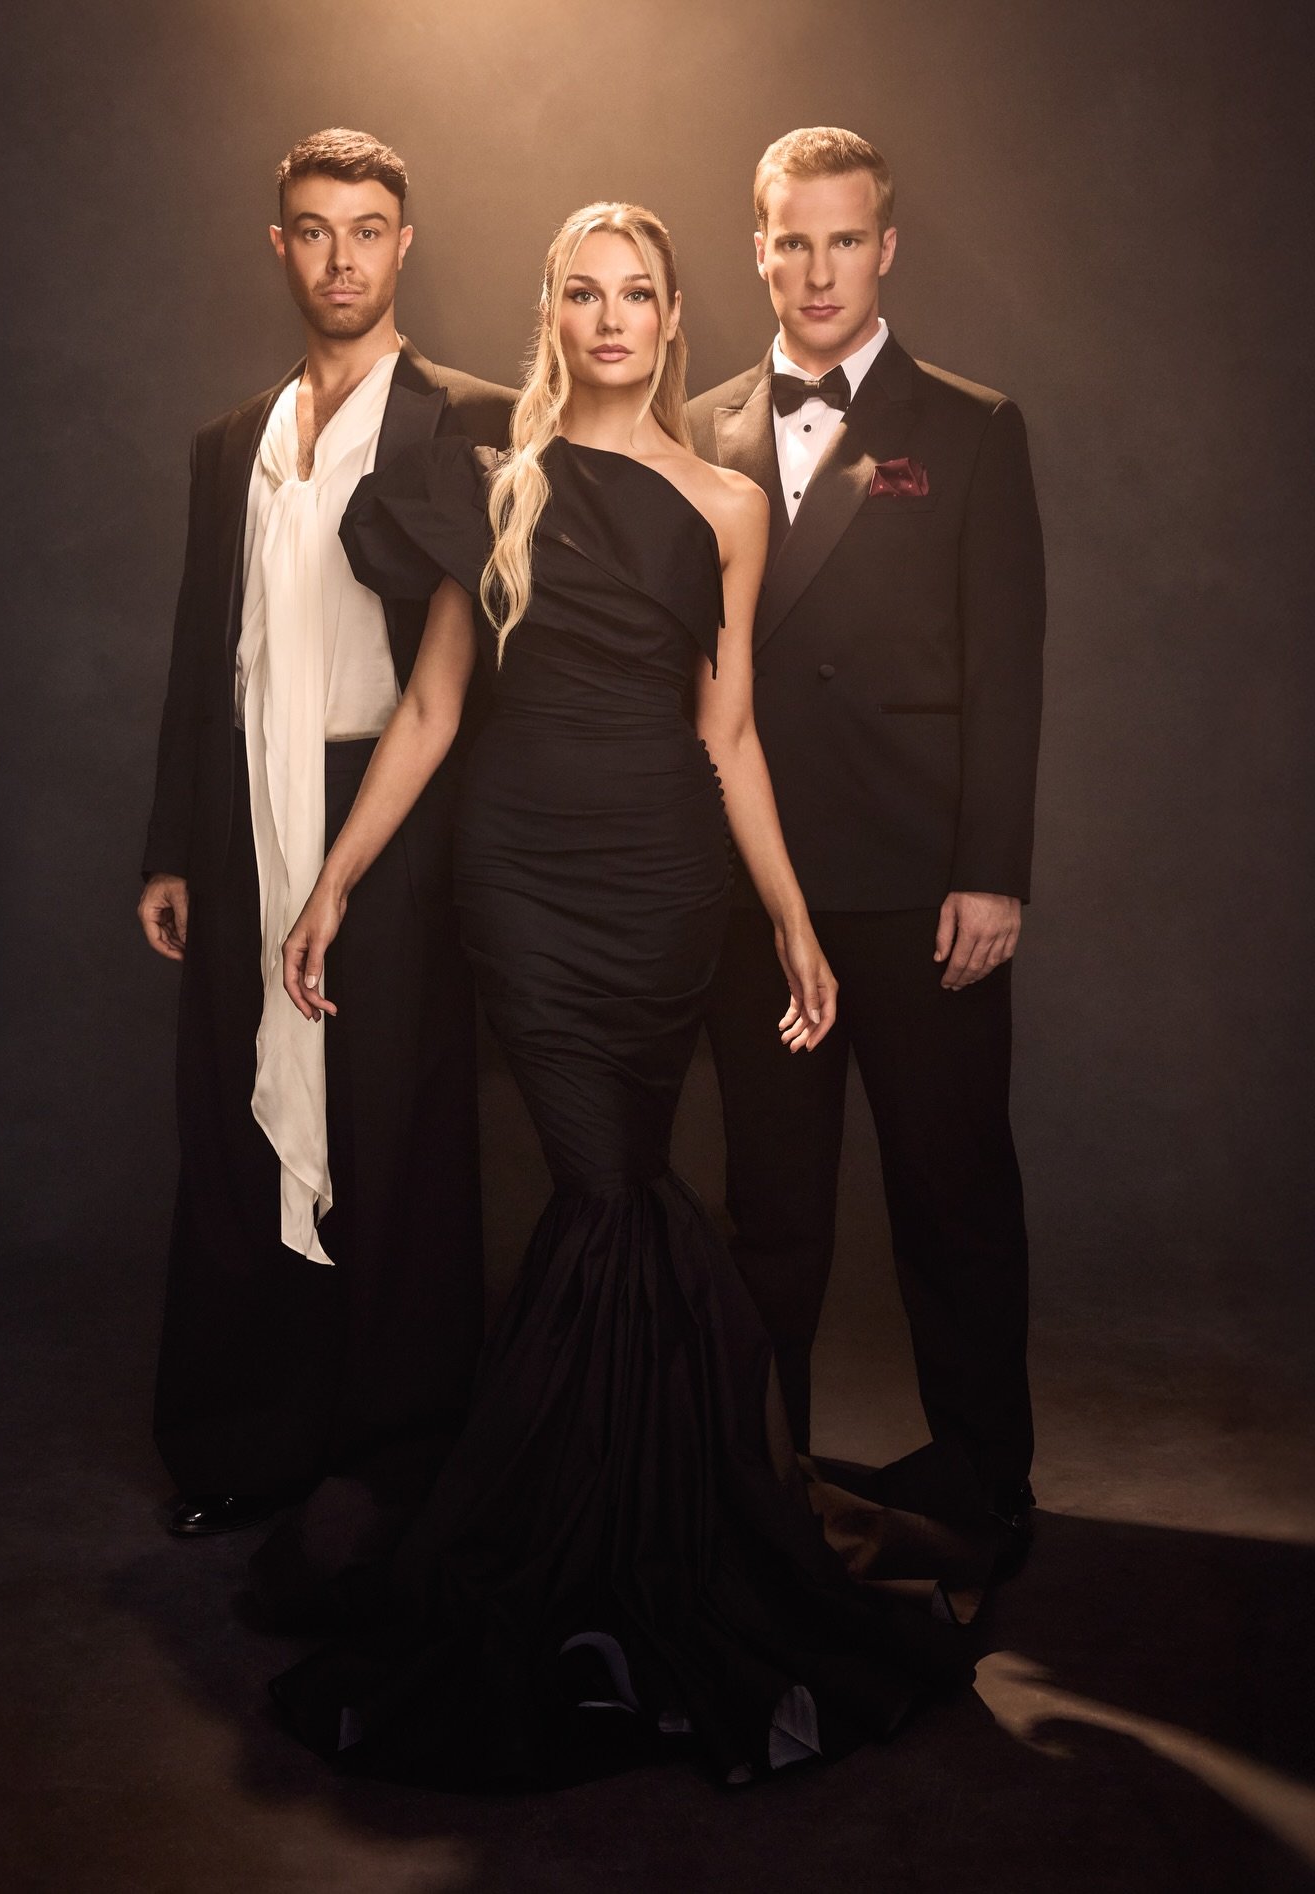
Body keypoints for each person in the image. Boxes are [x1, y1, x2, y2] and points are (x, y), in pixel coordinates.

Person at [262, 202, 970, 1790]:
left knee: (621, 1191)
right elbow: (437, 708)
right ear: (550, 310)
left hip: (661, 882)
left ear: (670, 314)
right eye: (581, 292)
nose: (610, 317)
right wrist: (338, 881)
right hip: (519, 872)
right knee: (606, 1190)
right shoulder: (492, 479)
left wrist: (789, 915)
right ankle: (622, 1526)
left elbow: (729, 733)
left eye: (637, 291)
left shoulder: (727, 501)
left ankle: (624, 1528)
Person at [137, 129, 513, 1541]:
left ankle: (400, 1444)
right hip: (242, 810)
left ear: (404, 245)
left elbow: (477, 667)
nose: (341, 256)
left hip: (392, 808)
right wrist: (172, 842)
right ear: (278, 245)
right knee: (235, 1122)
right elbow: (205, 649)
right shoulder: (231, 440)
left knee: (399, 1120)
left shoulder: (473, 413)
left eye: (367, 228)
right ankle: (244, 1440)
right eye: (313, 229)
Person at [689, 127, 1046, 1565]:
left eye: (845, 240)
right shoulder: (700, 424)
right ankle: (767, 1476)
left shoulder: (970, 423)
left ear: (885, 249)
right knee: (771, 1209)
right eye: (793, 240)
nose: (818, 268)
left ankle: (985, 1473)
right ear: (758, 248)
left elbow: (1009, 661)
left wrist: (996, 866)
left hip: (922, 886)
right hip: (754, 888)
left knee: (951, 1196)